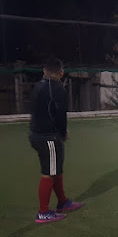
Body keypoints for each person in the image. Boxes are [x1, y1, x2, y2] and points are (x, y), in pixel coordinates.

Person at [29, 58, 83, 223]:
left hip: (36, 135)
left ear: (44, 71)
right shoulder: (57, 88)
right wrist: (63, 132)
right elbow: (60, 115)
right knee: (49, 174)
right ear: (61, 73)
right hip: (49, 138)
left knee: (56, 170)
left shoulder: (38, 86)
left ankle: (63, 202)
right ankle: (43, 212)